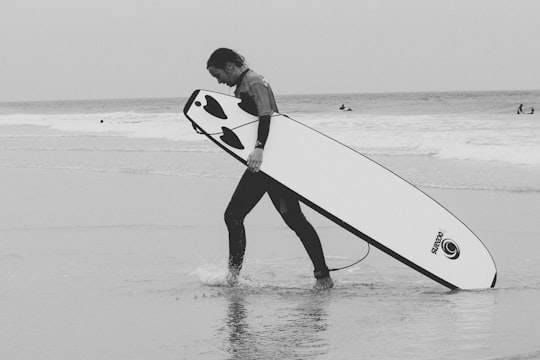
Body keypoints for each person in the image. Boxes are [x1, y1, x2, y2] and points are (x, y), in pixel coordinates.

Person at [206, 48, 334, 289]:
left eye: (218, 75)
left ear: (230, 67)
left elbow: (267, 116)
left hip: (266, 163)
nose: (219, 81)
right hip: (273, 163)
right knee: (295, 220)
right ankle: (323, 277)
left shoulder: (253, 82)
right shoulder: (246, 83)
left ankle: (233, 277)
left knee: (233, 215)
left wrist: (259, 148)